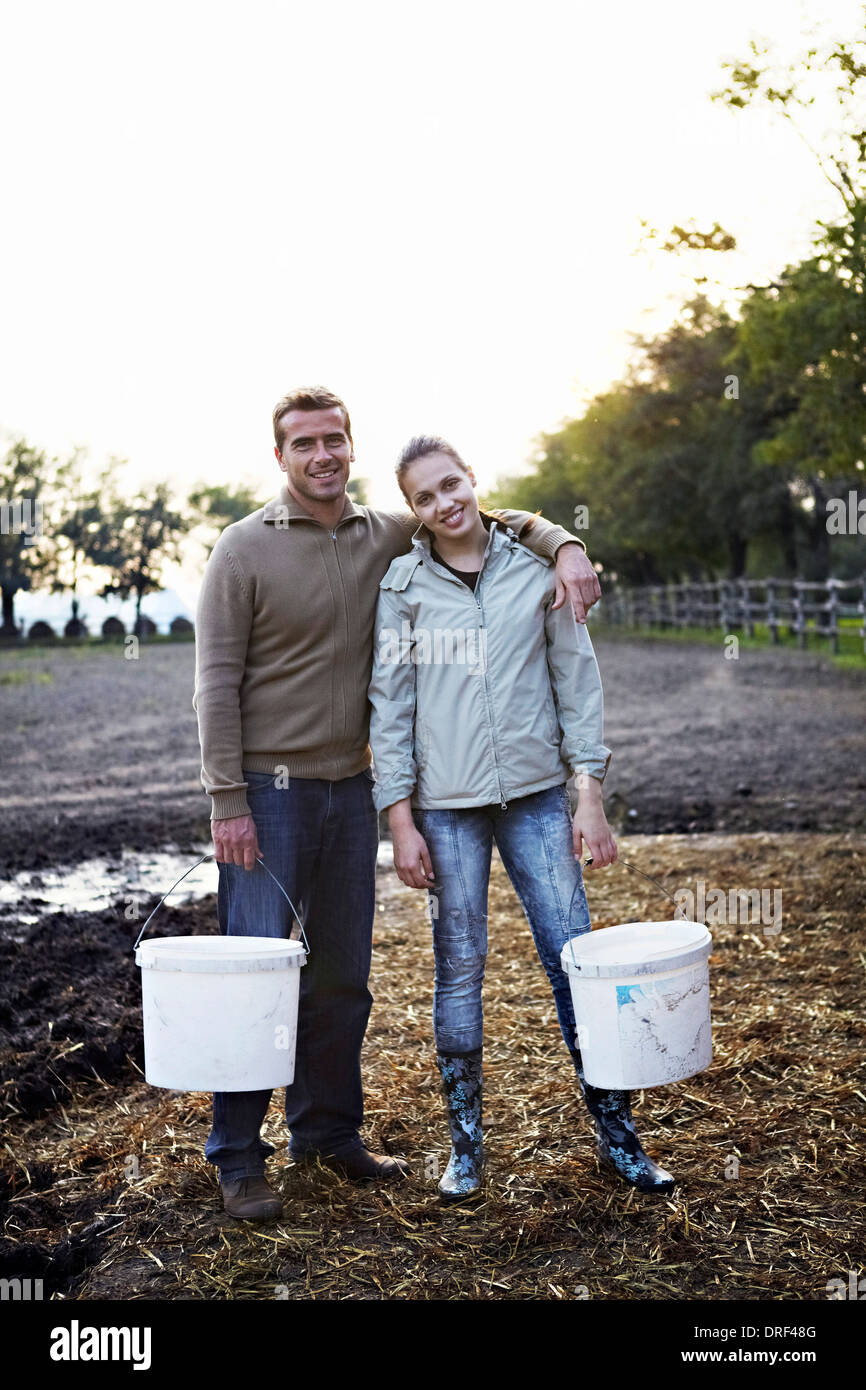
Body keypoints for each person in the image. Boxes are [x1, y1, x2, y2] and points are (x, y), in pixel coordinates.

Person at [192, 387, 601, 1221]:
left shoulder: (388, 533)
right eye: (303, 444)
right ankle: (237, 1154)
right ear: (280, 457)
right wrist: (226, 800)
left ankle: (328, 1134)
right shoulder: (242, 550)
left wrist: (563, 543)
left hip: (352, 787)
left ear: (350, 445)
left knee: (342, 975)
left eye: (334, 440)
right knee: (255, 975)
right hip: (266, 796)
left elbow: (481, 516)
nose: (322, 456)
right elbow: (213, 684)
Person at [368, 435, 675, 1201]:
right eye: (426, 497)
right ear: (414, 511)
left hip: (539, 800)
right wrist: (399, 821)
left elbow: (578, 681)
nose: (445, 504)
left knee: (576, 962)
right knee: (459, 969)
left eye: (452, 485)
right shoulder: (403, 588)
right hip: (447, 811)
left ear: (473, 481)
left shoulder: (536, 570)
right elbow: (390, 709)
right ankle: (465, 1147)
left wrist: (590, 793)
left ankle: (619, 1138)